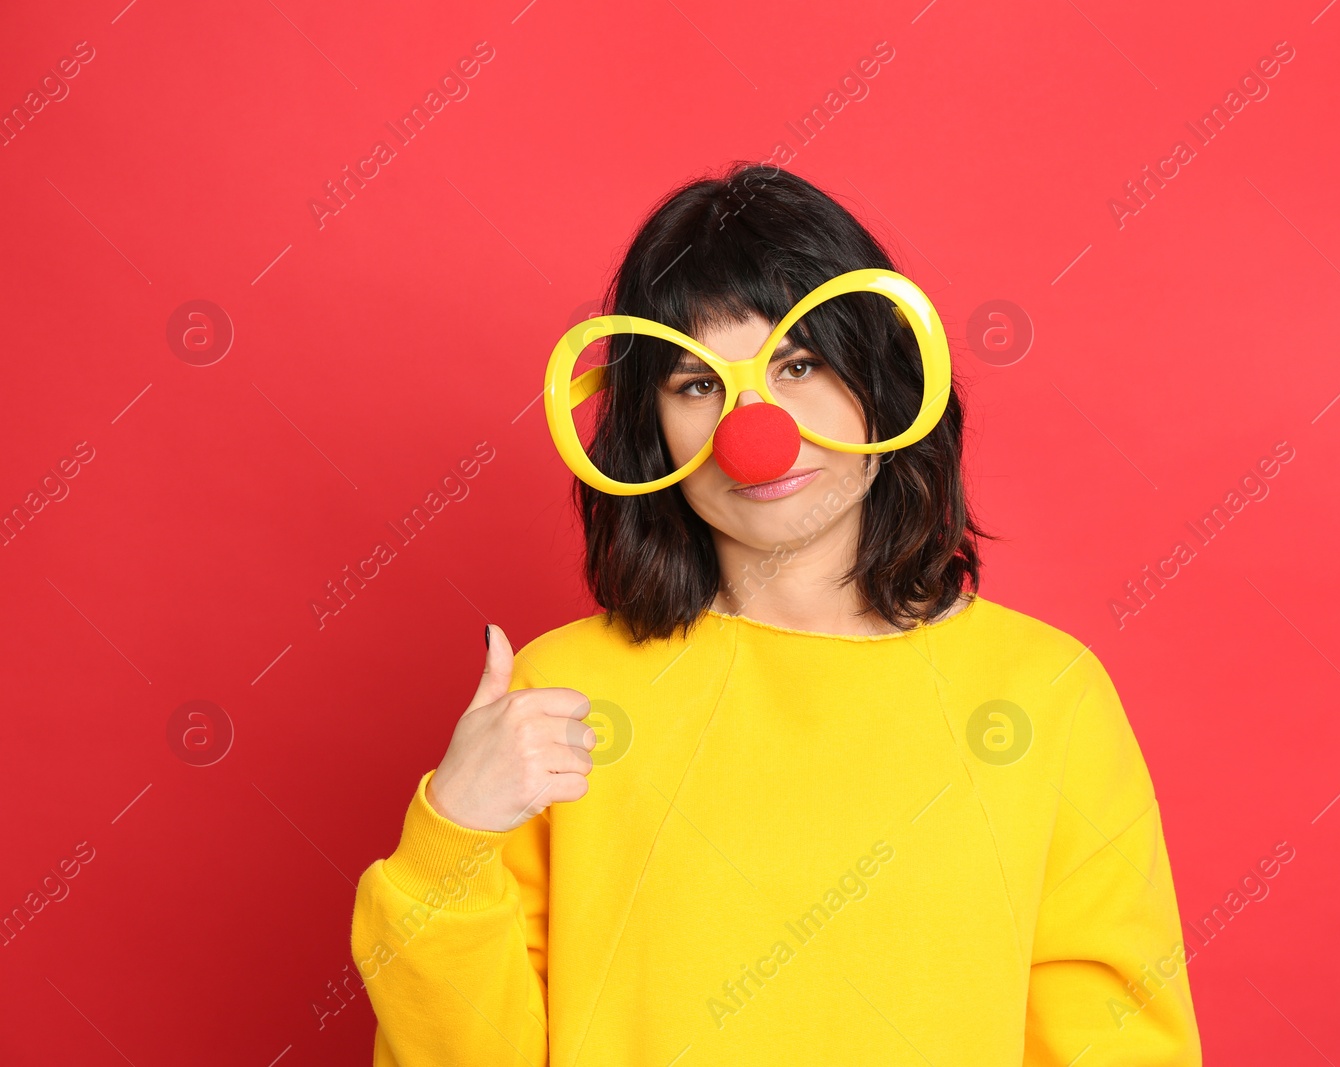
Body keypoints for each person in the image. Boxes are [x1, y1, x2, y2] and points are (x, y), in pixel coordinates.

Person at [349, 163, 1202, 1066]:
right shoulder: (560, 700)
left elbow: (1116, 1042)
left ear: (884, 379)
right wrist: (455, 830)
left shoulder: (1044, 694)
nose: (756, 431)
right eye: (696, 384)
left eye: (797, 364)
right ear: (652, 430)